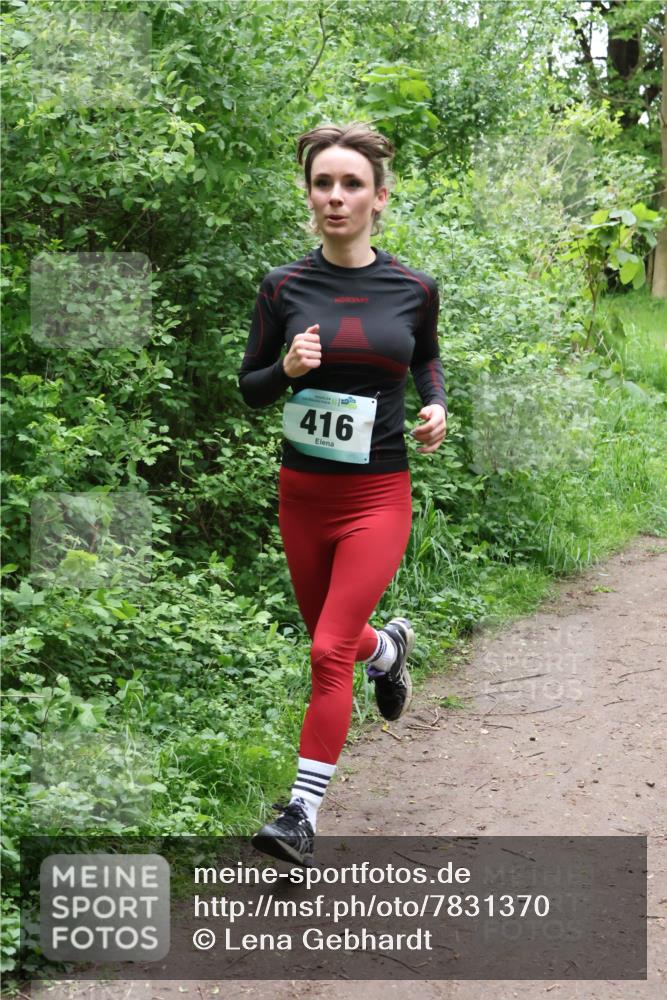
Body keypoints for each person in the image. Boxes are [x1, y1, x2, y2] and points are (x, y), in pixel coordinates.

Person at [238, 121, 447, 867]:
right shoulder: (283, 287)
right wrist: (287, 369)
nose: (335, 196)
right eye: (322, 183)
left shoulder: (413, 288)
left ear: (378, 198)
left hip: (376, 497)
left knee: (328, 649)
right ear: (308, 196)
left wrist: (436, 406)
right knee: (336, 637)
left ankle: (299, 813)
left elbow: (425, 358)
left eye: (350, 184)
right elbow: (250, 389)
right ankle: (387, 651)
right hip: (303, 495)